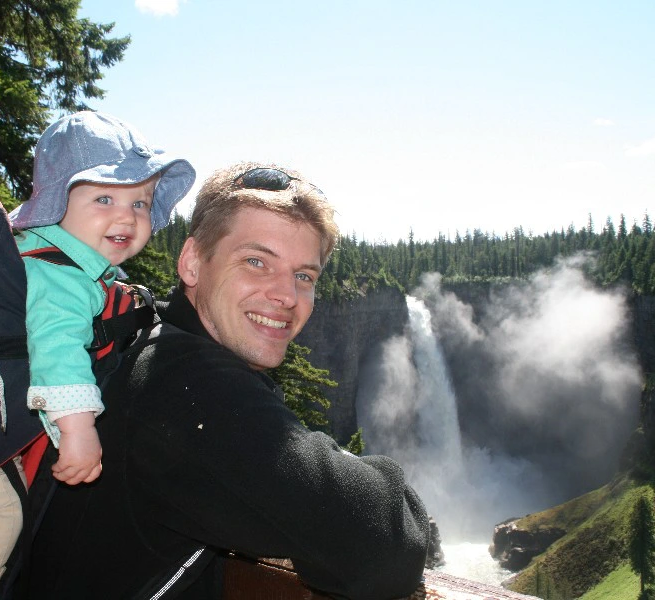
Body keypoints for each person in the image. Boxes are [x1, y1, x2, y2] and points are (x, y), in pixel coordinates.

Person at [26, 163, 431, 599]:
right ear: (191, 263)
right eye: (256, 262)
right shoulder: (188, 387)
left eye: (304, 276)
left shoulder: (150, 339)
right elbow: (387, 549)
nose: (287, 296)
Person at [0, 111, 195, 600]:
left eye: (140, 202)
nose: (127, 216)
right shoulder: (61, 276)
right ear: (57, 201)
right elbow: (57, 350)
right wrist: (77, 431)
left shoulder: (35, 249)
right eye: (104, 198)